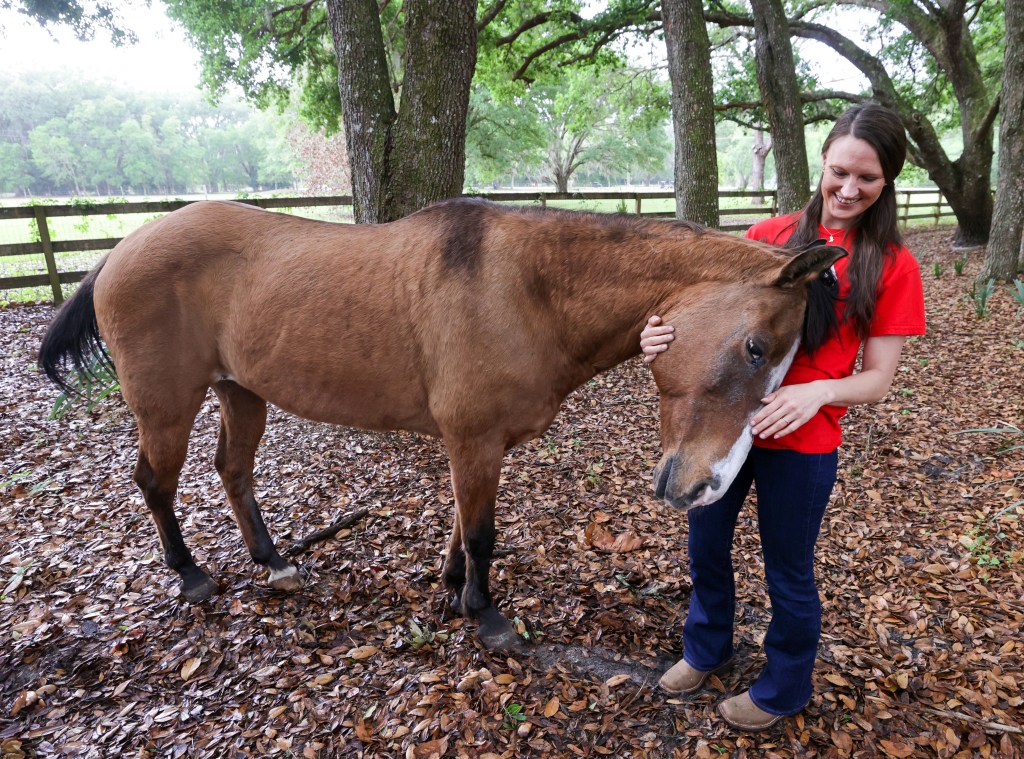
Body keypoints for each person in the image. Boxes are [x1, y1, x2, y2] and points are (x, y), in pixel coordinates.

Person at [641, 103, 926, 731]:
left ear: (888, 183)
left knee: (788, 569)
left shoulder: (892, 265)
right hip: (726, 424)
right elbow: (704, 323)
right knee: (706, 544)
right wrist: (657, 338)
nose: (849, 190)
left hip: (804, 442)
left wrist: (818, 394)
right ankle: (705, 649)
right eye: (840, 171)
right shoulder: (765, 240)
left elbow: (879, 378)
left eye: (868, 179)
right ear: (822, 163)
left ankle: (784, 685)